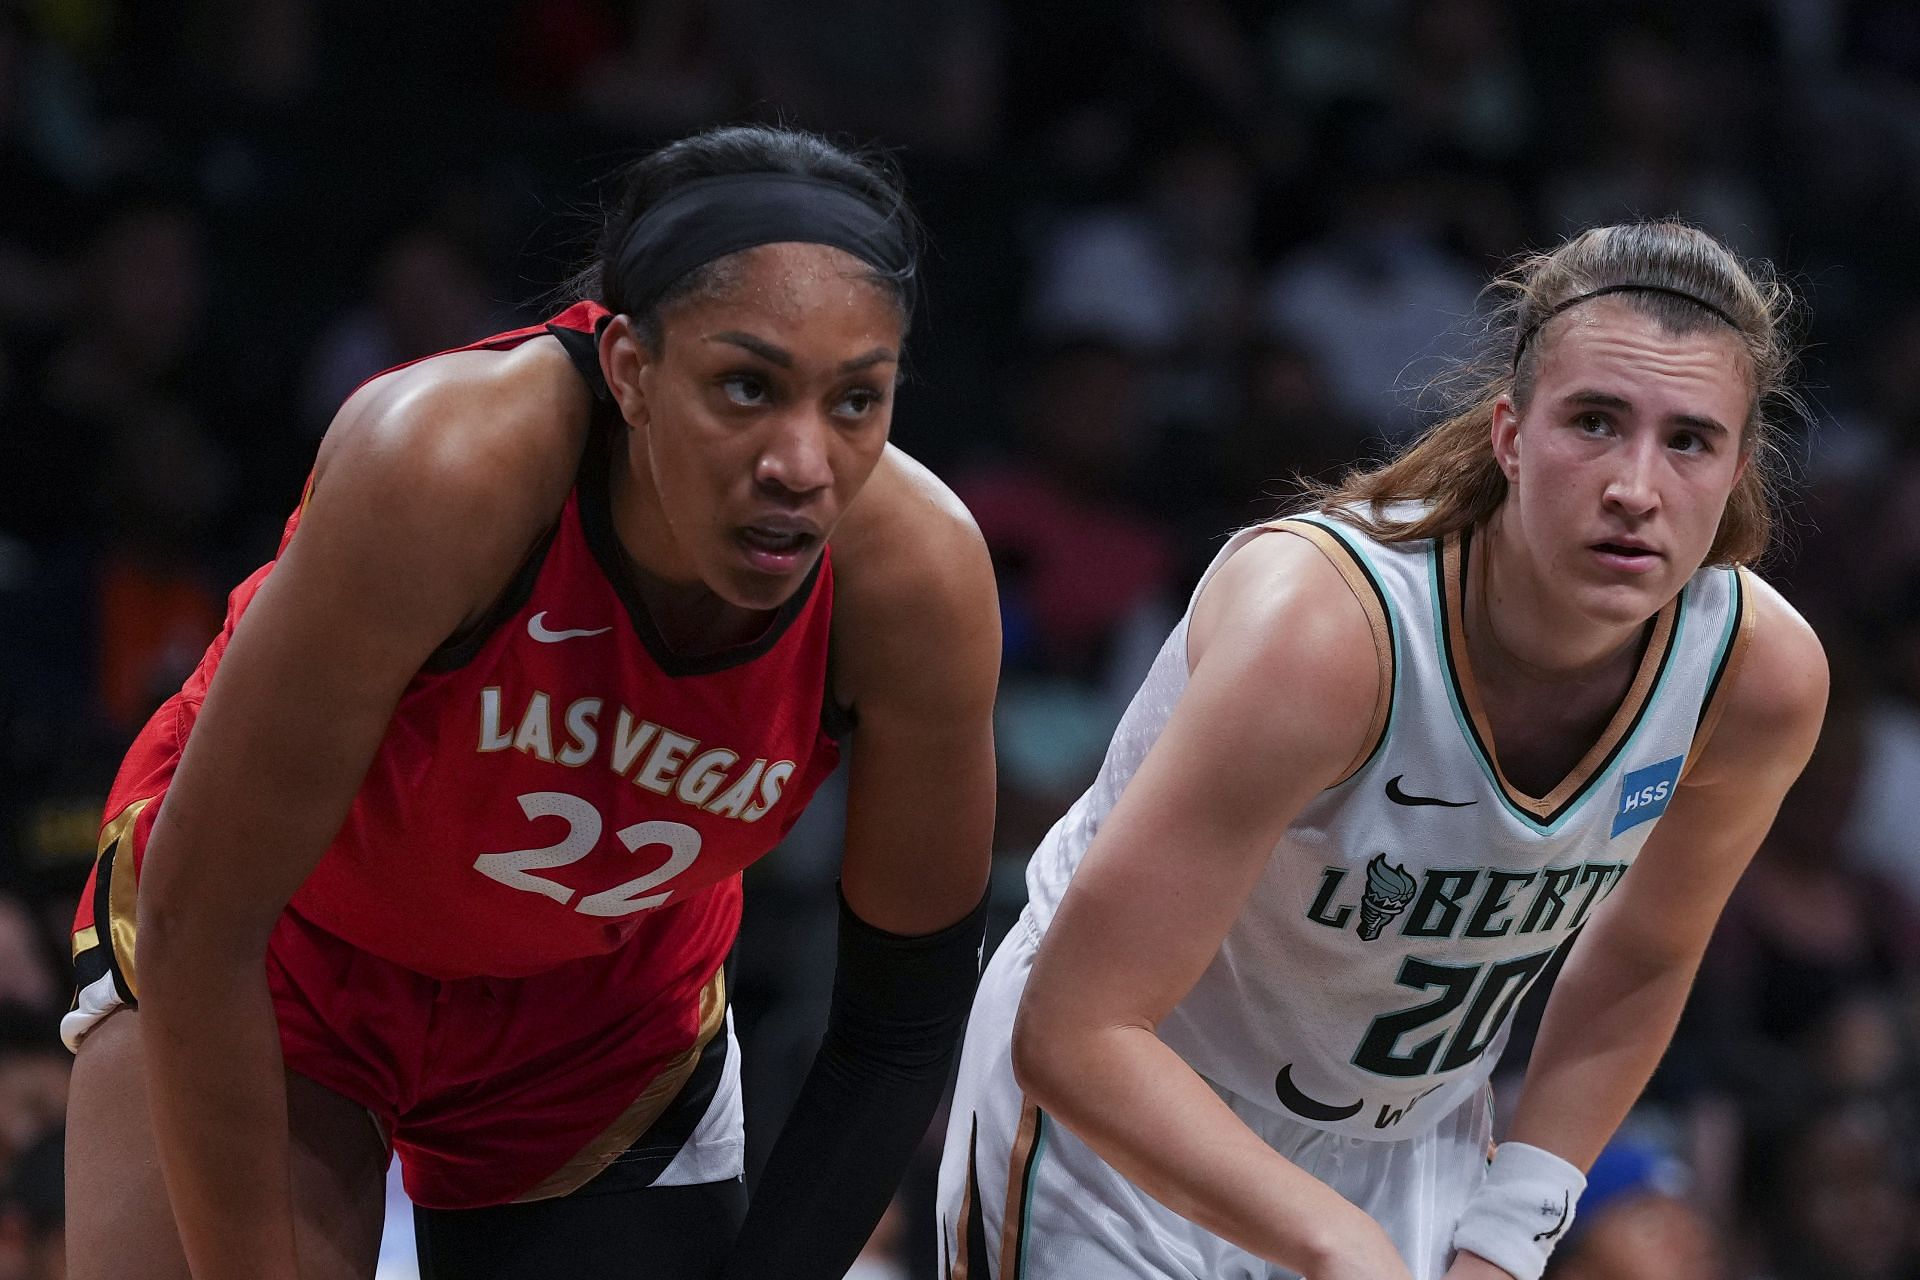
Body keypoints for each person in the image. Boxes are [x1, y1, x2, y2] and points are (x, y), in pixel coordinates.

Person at [61, 124, 1000, 1280]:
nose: (801, 461)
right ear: (630, 371)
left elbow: (899, 1025)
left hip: (602, 1028)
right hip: (282, 947)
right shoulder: (445, 463)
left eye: (857, 401)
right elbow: (206, 926)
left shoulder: (917, 580)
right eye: (746, 387)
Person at [936, 220, 1828, 1280]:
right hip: (1132, 1099)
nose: (1637, 485)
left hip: (1411, 1137)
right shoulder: (1326, 633)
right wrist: (1330, 1237)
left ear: (1736, 468)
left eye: (1690, 440)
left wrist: (1512, 1227)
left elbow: (1644, 958)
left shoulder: (1757, 676)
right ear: (1509, 433)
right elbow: (1076, 1028)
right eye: (1595, 421)